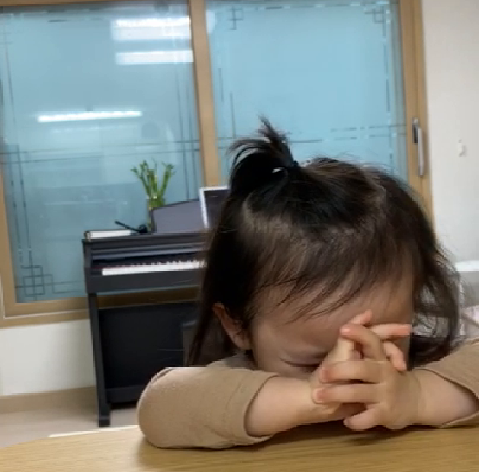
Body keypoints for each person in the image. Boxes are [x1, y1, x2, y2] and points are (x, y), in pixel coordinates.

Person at [138, 121, 479, 449]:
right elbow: (159, 407)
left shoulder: (421, 369)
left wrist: (417, 396)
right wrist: (311, 398)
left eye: (382, 344)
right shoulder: (238, 381)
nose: (352, 378)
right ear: (237, 325)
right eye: (312, 364)